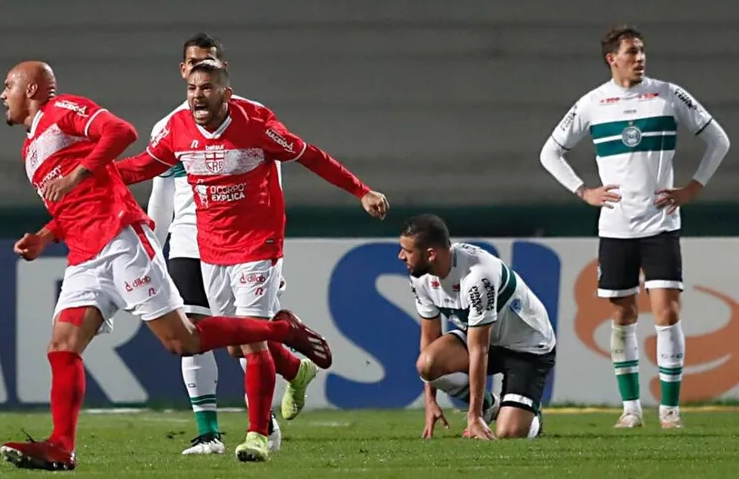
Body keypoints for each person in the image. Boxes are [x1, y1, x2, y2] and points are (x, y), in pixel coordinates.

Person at [0, 60, 333, 470]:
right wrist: (44, 237)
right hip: (84, 256)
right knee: (62, 348)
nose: (2, 95)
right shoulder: (31, 147)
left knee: (184, 341)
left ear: (31, 89)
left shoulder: (63, 110)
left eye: (8, 86)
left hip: (121, 239)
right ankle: (62, 446)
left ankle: (283, 330)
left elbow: (121, 132)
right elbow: (75, 202)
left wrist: (78, 173)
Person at [116, 59, 388, 461]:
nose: (197, 96)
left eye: (206, 88)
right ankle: (296, 366)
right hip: (210, 247)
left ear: (226, 92)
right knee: (235, 346)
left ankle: (257, 436)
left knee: (252, 340)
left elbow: (311, 156)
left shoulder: (256, 124)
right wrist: (90, 173)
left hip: (258, 244)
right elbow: (142, 167)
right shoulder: (177, 129)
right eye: (192, 89)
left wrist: (361, 191)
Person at [539, 25, 731, 429]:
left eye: (642, 51)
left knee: (667, 312)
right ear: (613, 58)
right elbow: (550, 152)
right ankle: (631, 410)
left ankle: (670, 410)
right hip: (616, 228)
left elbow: (719, 140)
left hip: (661, 222)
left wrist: (693, 188)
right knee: (623, 315)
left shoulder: (667, 94)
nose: (640, 57)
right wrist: (583, 191)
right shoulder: (593, 103)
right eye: (632, 52)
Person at [147, 32, 286, 455]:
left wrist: (275, 242)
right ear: (182, 70)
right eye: (192, 64)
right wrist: (153, 247)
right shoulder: (169, 126)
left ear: (222, 70)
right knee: (191, 332)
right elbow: (161, 195)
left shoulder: (251, 118)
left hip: (242, 240)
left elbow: (273, 181)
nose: (198, 71)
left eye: (207, 63)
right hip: (188, 239)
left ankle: (263, 423)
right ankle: (209, 433)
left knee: (240, 343)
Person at [399, 214, 555, 440]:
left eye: (407, 250)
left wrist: (473, 417)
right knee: (427, 363)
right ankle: (490, 406)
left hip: (527, 347)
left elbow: (478, 350)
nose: (400, 256)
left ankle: (531, 416)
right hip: (488, 340)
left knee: (508, 433)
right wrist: (430, 402)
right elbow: (430, 339)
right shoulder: (421, 277)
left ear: (431, 254)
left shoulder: (477, 276)